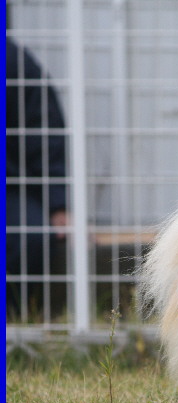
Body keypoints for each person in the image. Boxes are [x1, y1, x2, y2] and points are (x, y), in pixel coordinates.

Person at [6, 37, 69, 320]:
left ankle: (13, 320)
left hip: (11, 189)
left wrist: (57, 205)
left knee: (30, 234)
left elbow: (43, 135)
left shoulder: (13, 60)